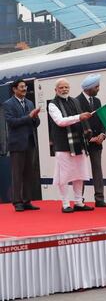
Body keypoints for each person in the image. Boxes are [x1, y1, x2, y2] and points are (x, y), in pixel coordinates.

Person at [48, 78, 94, 213]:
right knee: (64, 176)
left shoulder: (75, 101)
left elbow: (82, 119)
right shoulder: (52, 104)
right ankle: (65, 204)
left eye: (66, 87)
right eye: (61, 87)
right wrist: (79, 117)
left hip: (78, 143)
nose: (64, 90)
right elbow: (60, 121)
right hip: (63, 144)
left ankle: (79, 202)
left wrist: (87, 130)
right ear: (56, 90)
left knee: (79, 174)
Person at [4, 79, 41, 212]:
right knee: (17, 174)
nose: (24, 89)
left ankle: (27, 201)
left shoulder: (30, 103)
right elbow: (11, 122)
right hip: (17, 144)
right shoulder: (8, 104)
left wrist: (35, 118)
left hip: (30, 142)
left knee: (28, 174)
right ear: (14, 89)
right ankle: (17, 202)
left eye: (25, 87)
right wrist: (29, 117)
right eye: (21, 87)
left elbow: (36, 123)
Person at [76, 74, 106, 207]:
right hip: (83, 141)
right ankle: (80, 199)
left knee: (97, 169)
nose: (98, 89)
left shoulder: (97, 101)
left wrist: (102, 134)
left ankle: (99, 198)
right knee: (81, 171)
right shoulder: (76, 101)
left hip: (97, 141)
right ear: (89, 89)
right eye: (96, 87)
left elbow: (102, 119)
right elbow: (78, 121)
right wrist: (89, 137)